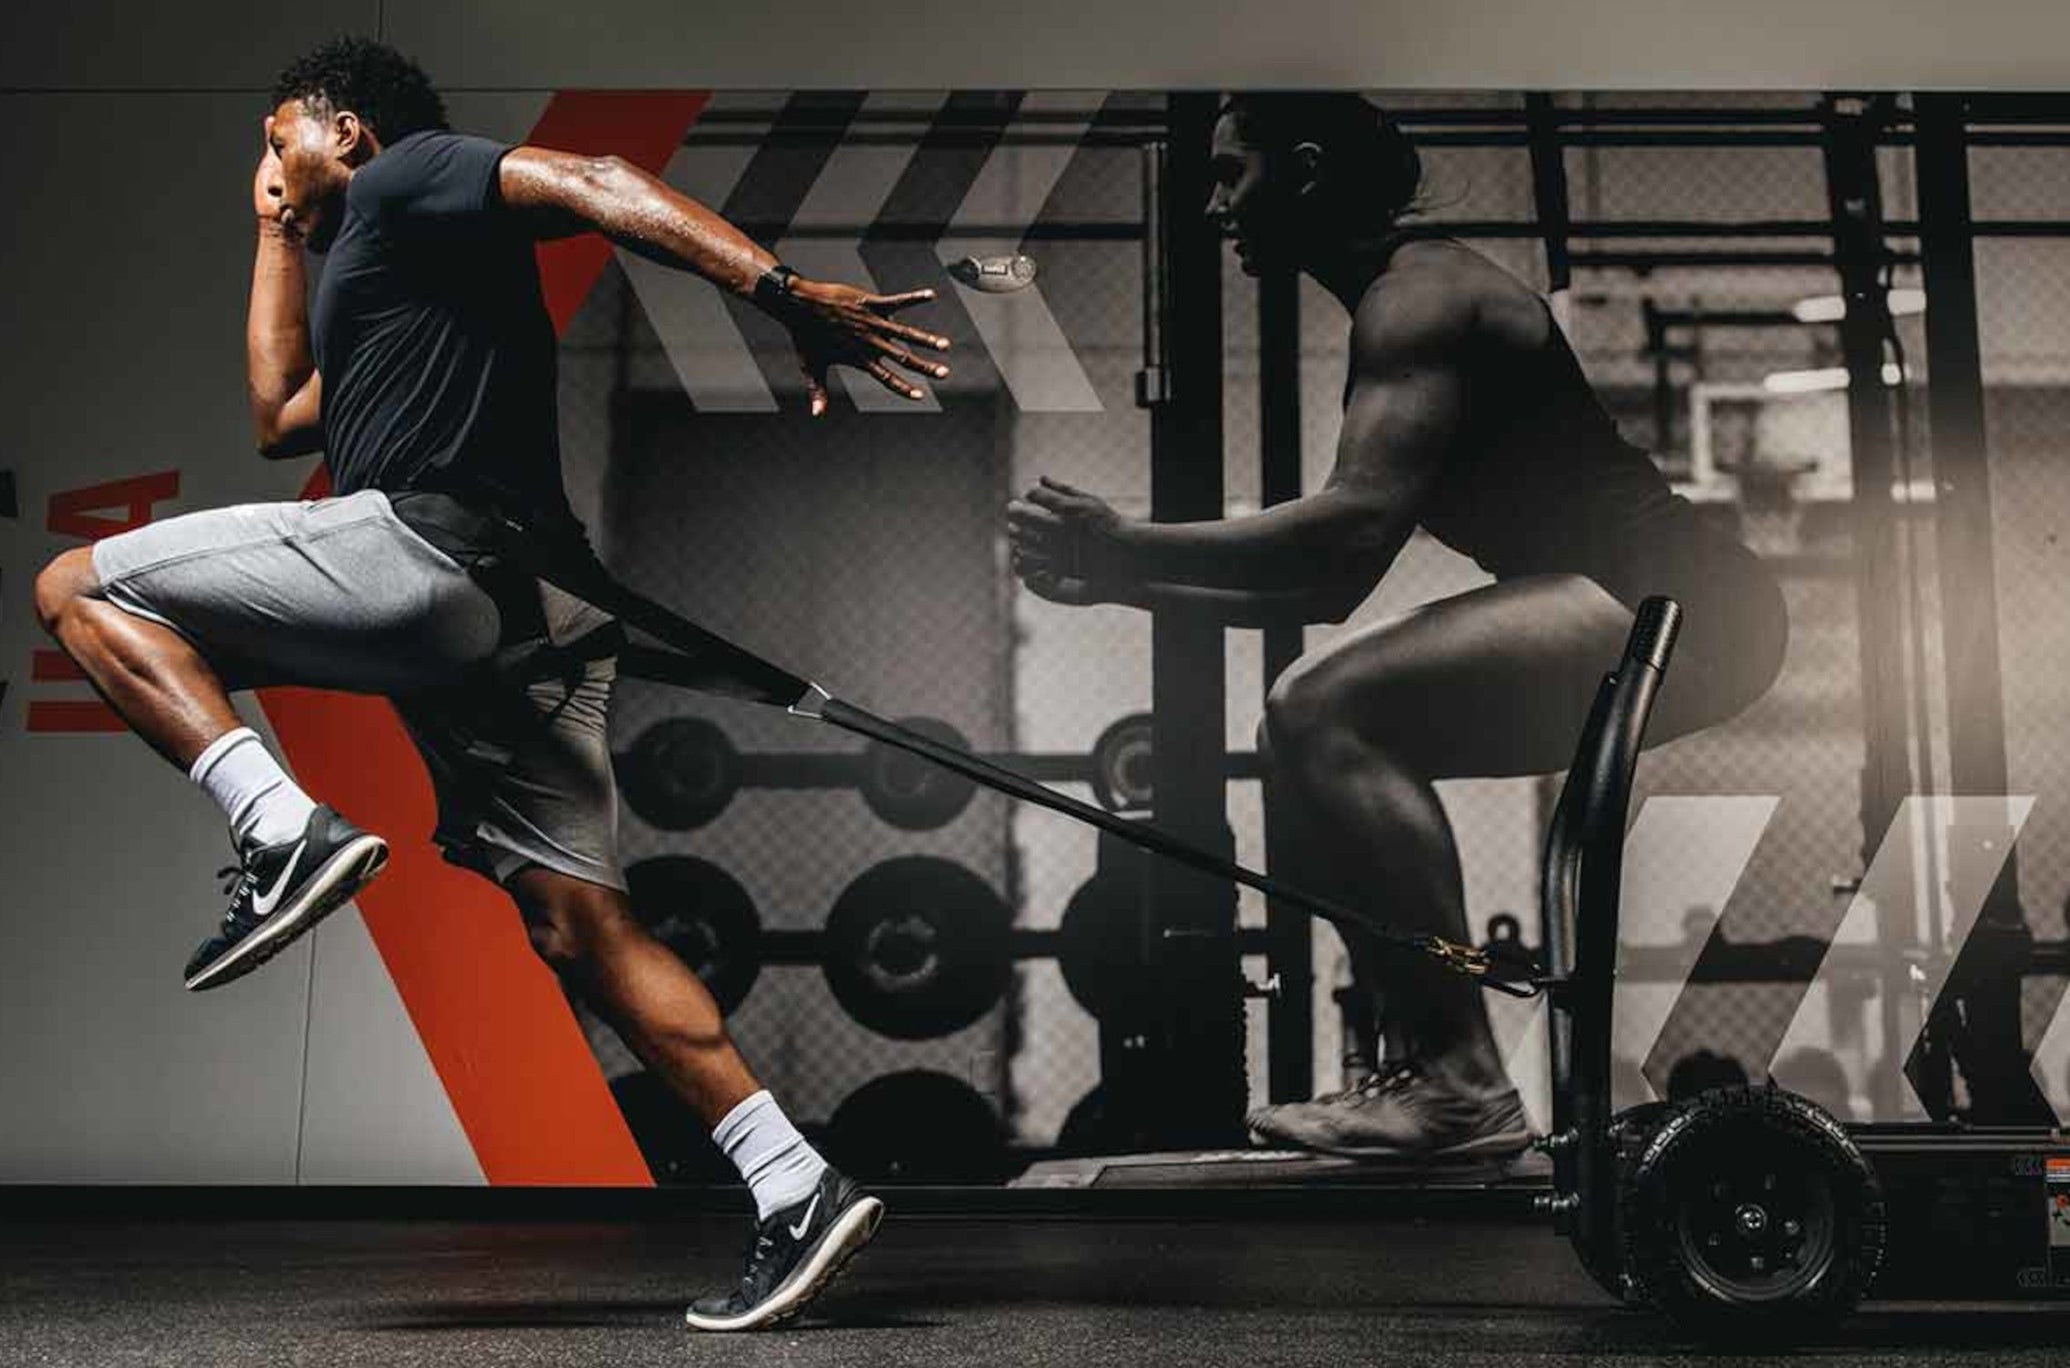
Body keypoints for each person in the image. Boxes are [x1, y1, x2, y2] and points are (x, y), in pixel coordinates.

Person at [31, 37, 950, 1330]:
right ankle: (792, 1187)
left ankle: (279, 827)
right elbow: (279, 409)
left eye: (275, 133)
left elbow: (593, 176)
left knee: (79, 586)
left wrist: (780, 288)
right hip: (539, 614)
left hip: (439, 554)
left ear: (346, 131)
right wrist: (279, 234)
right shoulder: (380, 272)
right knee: (579, 927)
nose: (266, 162)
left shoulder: (410, 183)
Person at [1007, 93, 1788, 1161]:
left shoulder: (1420, 297)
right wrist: (1118, 587)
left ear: (1310, 171)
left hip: (1683, 597)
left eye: (1233, 174)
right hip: (1647, 598)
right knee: (1314, 731)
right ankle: (1425, 1069)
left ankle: (1461, 1082)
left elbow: (1349, 522)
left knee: (1325, 706)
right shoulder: (1402, 303)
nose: (1214, 204)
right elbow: (1326, 587)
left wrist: (1122, 541)